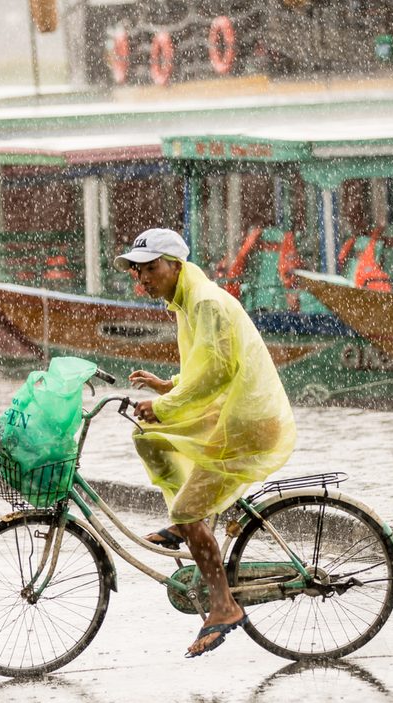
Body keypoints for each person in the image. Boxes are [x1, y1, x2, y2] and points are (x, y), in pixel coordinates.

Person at [113, 228, 296, 658]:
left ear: (175, 265)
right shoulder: (186, 301)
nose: (143, 280)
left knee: (187, 503)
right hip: (229, 414)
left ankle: (223, 606)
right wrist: (168, 386)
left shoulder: (206, 302)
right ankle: (186, 526)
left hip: (247, 420)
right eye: (137, 273)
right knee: (151, 439)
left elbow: (217, 372)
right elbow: (204, 366)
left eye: (151, 269)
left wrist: (167, 404)